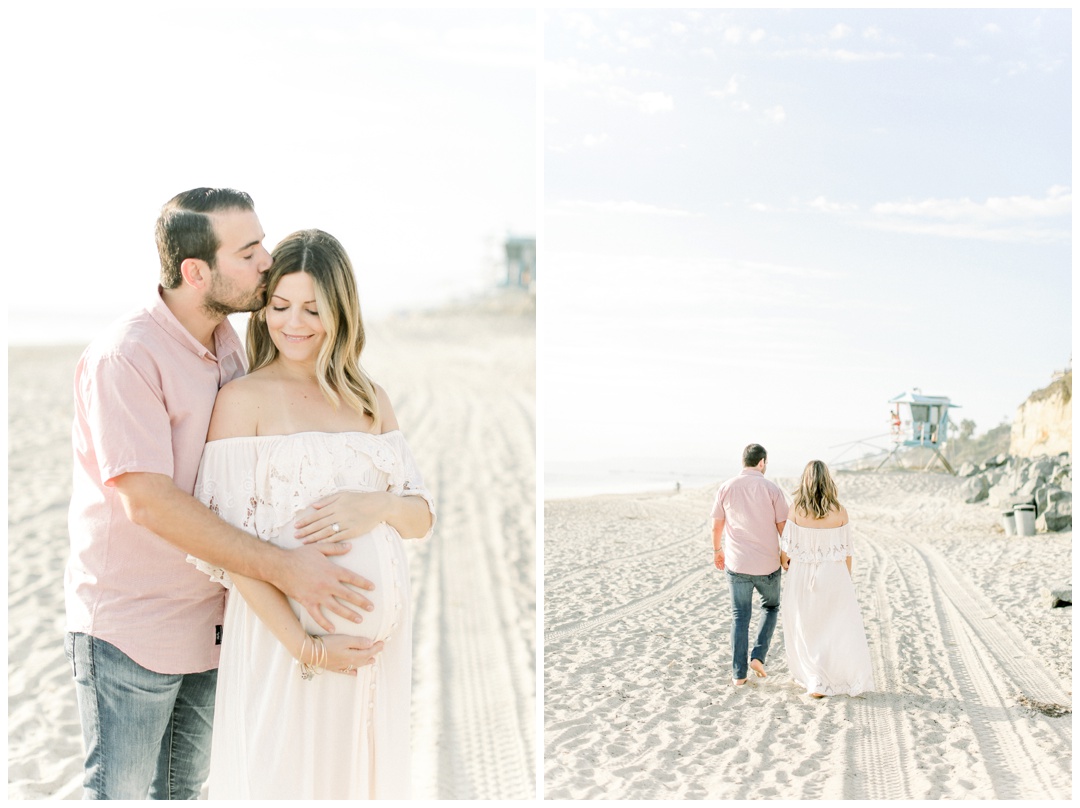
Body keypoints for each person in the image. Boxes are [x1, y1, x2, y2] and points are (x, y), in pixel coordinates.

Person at [65, 189, 378, 800]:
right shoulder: (126, 357)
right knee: (120, 795)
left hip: (216, 626)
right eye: (249, 251)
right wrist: (288, 570)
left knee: (186, 792)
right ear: (195, 271)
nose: (267, 260)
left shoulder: (230, 345)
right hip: (134, 630)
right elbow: (148, 500)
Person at [189, 228, 435, 799]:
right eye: (279, 306)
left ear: (340, 312)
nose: (293, 323)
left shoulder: (369, 397)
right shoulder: (242, 400)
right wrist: (309, 646)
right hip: (287, 647)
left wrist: (377, 505)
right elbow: (227, 551)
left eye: (312, 308)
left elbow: (420, 518)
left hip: (375, 660)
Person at [779, 460, 875, 699]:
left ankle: (814, 677)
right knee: (833, 627)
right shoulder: (840, 511)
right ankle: (826, 676)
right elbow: (847, 551)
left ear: (806, 481)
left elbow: (787, 548)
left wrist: (784, 562)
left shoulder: (797, 509)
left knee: (806, 626)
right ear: (828, 481)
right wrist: (846, 579)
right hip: (834, 574)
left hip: (802, 574)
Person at [711, 444, 788, 685]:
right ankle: (758, 656)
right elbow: (783, 527)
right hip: (768, 565)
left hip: (738, 564)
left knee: (740, 617)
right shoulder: (772, 488)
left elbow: (716, 525)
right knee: (771, 607)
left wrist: (717, 550)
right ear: (762, 462)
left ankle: (738, 675)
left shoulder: (727, 487)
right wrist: (786, 555)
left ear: (744, 461)